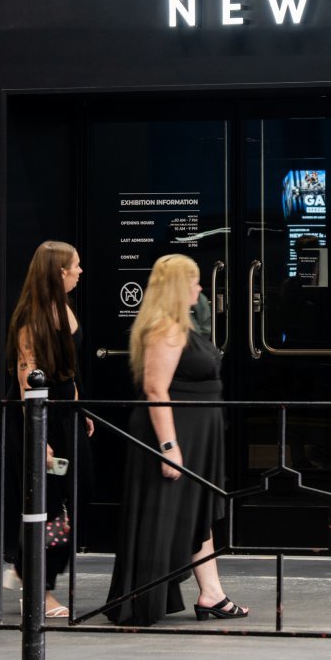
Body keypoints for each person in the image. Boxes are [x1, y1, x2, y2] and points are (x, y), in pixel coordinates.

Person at [105, 254, 248, 624]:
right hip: (175, 435)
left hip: (193, 435)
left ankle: (211, 593)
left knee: (194, 511)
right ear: (176, 287)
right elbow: (156, 389)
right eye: (194, 282)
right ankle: (145, 600)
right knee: (166, 514)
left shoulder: (178, 325)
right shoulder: (164, 328)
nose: (200, 288)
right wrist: (169, 448)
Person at [3, 240, 93, 619]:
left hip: (66, 415)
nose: (80, 271)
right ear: (59, 271)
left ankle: (25, 567)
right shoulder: (32, 320)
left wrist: (80, 406)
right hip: (41, 419)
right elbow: (28, 380)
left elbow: (67, 368)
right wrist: (38, 439)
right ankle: (39, 591)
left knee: (77, 493)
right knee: (52, 508)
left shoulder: (64, 307)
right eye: (76, 265)